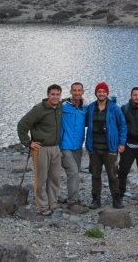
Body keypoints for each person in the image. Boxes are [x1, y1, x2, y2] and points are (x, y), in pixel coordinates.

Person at [17, 84, 63, 216]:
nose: (55, 97)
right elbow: (22, 125)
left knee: (54, 177)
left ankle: (53, 205)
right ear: (48, 95)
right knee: (41, 179)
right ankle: (43, 207)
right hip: (41, 149)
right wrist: (28, 143)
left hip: (55, 147)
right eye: (52, 94)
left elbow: (70, 100)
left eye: (57, 95)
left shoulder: (59, 106)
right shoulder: (38, 109)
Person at [85, 82, 127, 209]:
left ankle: (116, 198)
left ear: (107, 93)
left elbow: (122, 125)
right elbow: (84, 121)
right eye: (99, 91)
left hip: (110, 147)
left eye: (104, 92)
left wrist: (122, 143)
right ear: (96, 93)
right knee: (95, 174)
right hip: (94, 147)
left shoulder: (114, 108)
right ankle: (96, 199)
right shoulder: (91, 107)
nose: (101, 94)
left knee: (113, 175)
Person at [60, 82, 89, 213]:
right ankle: (72, 202)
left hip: (78, 146)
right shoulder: (64, 107)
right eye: (74, 90)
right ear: (71, 92)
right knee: (73, 172)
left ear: (82, 92)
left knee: (75, 173)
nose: (77, 93)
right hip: (65, 145)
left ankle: (75, 198)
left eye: (79, 90)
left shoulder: (85, 108)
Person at [118, 87, 138, 202]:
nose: (137, 97)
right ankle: (120, 193)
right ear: (131, 95)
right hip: (128, 145)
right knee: (123, 170)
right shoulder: (124, 109)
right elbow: (119, 125)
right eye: (135, 95)